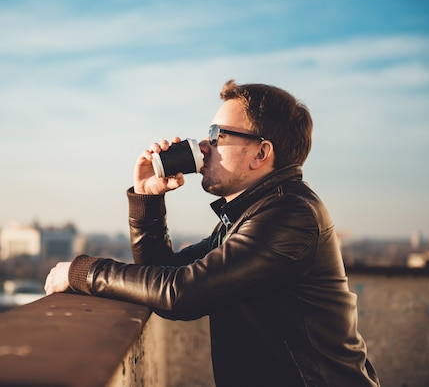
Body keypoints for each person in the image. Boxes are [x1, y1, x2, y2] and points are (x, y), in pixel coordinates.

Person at [45, 80, 380, 387]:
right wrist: (148, 197)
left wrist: (83, 272)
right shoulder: (247, 215)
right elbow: (166, 275)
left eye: (218, 134)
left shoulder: (290, 215)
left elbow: (183, 293)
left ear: (261, 153)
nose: (204, 145)